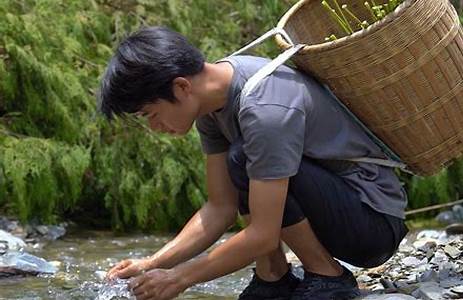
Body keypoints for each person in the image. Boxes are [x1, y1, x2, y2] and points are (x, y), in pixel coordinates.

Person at [98, 26, 409, 300]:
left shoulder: (264, 109)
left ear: (181, 87)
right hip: (335, 206)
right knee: (244, 158)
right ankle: (273, 274)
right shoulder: (210, 105)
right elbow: (220, 208)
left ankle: (327, 275)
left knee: (243, 156)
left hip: (372, 223)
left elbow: (263, 233)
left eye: (151, 114)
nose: (154, 127)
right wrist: (153, 264)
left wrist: (179, 279)